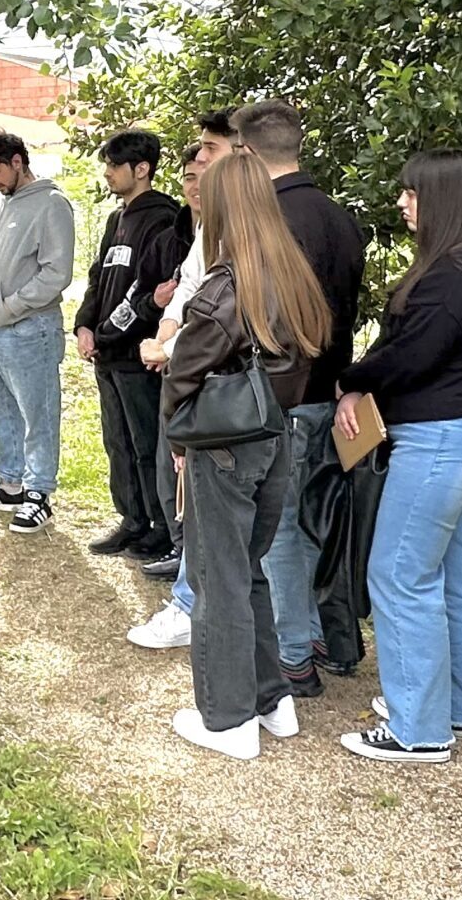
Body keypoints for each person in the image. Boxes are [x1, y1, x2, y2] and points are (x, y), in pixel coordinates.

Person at [334, 150, 462, 764]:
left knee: (398, 573)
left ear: (443, 199)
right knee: (450, 575)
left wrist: (347, 379)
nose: (404, 203)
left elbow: (411, 355)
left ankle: (418, 727)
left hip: (439, 442)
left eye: (413, 194)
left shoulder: (455, 273)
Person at [161, 153, 334, 759]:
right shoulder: (292, 274)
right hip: (275, 437)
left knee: (218, 578)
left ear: (225, 207)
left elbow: (184, 371)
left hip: (225, 445)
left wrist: (179, 437)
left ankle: (228, 719)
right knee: (249, 569)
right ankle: (270, 699)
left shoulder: (226, 283)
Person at [232, 100, 368, 695]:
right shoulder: (340, 216)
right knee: (312, 522)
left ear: (248, 153)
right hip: (332, 389)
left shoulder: (273, 221)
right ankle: (313, 632)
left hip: (285, 394)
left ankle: (293, 654)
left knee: (282, 528)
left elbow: (272, 317)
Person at [0, 132, 77, 533]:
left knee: (37, 411)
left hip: (29, 328)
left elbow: (57, 272)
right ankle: (9, 483)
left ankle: (38, 491)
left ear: (18, 161)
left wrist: (12, 305)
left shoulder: (51, 204)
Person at [74, 130, 188, 559]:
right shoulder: (115, 219)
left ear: (141, 169)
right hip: (106, 353)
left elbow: (154, 292)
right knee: (117, 442)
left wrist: (111, 331)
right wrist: (85, 325)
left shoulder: (163, 219)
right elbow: (98, 277)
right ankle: (132, 518)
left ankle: (161, 525)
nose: (107, 173)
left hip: (139, 355)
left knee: (146, 445)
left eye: (113, 165)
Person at [129, 141, 213, 649]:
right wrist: (165, 331)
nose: (195, 184)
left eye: (208, 168)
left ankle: (190, 603)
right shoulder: (198, 229)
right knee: (172, 477)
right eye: (188, 174)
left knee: (199, 493)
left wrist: (170, 345)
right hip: (177, 368)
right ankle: (185, 573)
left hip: (216, 388)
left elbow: (222, 312)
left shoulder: (244, 231)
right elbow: (185, 291)